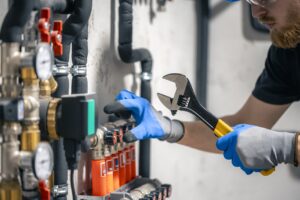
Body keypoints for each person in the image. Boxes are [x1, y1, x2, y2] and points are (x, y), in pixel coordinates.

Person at [104, 0, 300, 175]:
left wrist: (288, 147)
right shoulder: (287, 56)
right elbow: (247, 123)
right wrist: (171, 128)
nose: (255, 13)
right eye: (250, 1)